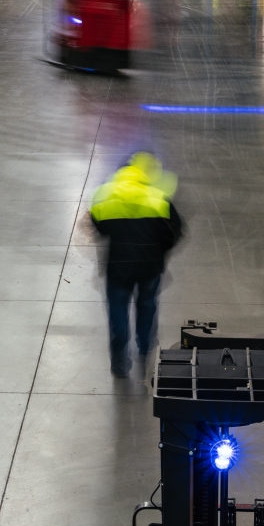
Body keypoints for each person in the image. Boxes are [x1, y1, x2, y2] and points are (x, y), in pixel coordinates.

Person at [90, 152, 183, 377]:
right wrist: (162, 250)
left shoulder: (107, 194)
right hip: (149, 265)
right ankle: (145, 346)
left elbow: (99, 227)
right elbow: (176, 230)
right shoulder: (157, 197)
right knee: (147, 305)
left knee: (118, 310)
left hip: (118, 265)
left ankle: (119, 358)